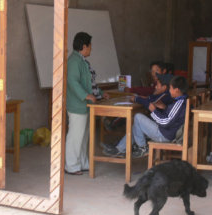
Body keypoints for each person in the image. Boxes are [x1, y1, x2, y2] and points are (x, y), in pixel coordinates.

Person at [102, 76, 188, 158]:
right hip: (167, 131)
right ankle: (120, 148)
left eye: (171, 88)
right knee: (137, 125)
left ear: (176, 90)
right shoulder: (181, 101)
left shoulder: (179, 103)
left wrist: (154, 110)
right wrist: (164, 108)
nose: (169, 91)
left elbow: (165, 122)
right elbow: (172, 117)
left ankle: (142, 148)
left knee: (138, 117)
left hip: (165, 135)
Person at [65, 32, 109, 175]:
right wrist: (86, 96)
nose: (91, 48)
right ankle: (71, 166)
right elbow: (72, 82)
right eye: (90, 46)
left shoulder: (82, 60)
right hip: (77, 106)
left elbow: (90, 83)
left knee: (84, 137)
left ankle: (83, 163)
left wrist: (101, 93)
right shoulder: (73, 61)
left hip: (86, 106)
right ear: (84, 46)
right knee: (75, 137)